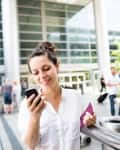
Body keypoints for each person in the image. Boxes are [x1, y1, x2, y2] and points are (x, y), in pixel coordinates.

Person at [18, 41, 96, 150]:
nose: (42, 75)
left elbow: (84, 125)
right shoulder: (27, 106)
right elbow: (30, 145)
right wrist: (34, 117)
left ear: (57, 66)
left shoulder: (75, 97)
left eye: (46, 69)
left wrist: (90, 122)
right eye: (36, 73)